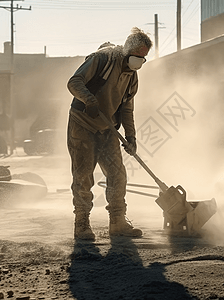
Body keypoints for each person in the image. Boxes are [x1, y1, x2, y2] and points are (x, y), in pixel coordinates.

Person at [67, 27, 153, 240]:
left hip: (107, 129)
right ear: (127, 51)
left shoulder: (132, 77)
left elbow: (126, 109)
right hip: (83, 124)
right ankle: (82, 224)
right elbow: (74, 82)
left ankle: (118, 222)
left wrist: (131, 137)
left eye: (144, 59)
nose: (140, 62)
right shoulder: (102, 59)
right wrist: (89, 100)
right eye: (137, 57)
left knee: (117, 174)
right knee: (83, 175)